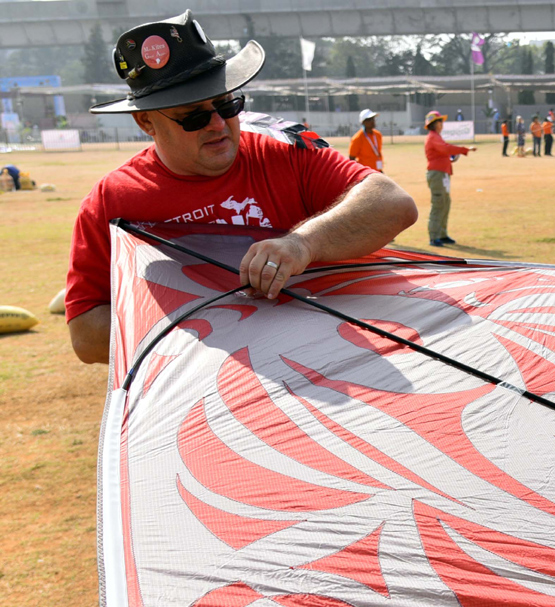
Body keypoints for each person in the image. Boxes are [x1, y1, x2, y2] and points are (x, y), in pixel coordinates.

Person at [66, 9, 417, 367]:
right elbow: (86, 336)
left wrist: (303, 244)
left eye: (227, 104)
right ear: (146, 122)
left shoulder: (284, 153)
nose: (218, 124)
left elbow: (394, 204)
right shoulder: (111, 200)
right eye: (195, 116)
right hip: (209, 393)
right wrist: (198, 316)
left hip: (327, 364)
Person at [424, 110, 472, 247]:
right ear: (435, 124)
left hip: (442, 173)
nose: (442, 124)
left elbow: (443, 152)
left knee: (445, 203)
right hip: (437, 174)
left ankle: (442, 234)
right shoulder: (433, 137)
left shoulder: (436, 137)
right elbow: (445, 149)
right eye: (440, 121)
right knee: (438, 204)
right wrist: (463, 150)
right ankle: (434, 236)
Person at [347, 107, 383, 172]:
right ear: (363, 122)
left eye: (373, 119)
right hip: (365, 173)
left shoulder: (378, 135)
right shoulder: (357, 138)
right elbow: (351, 158)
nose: (372, 121)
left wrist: (380, 170)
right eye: (369, 119)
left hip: (378, 171)